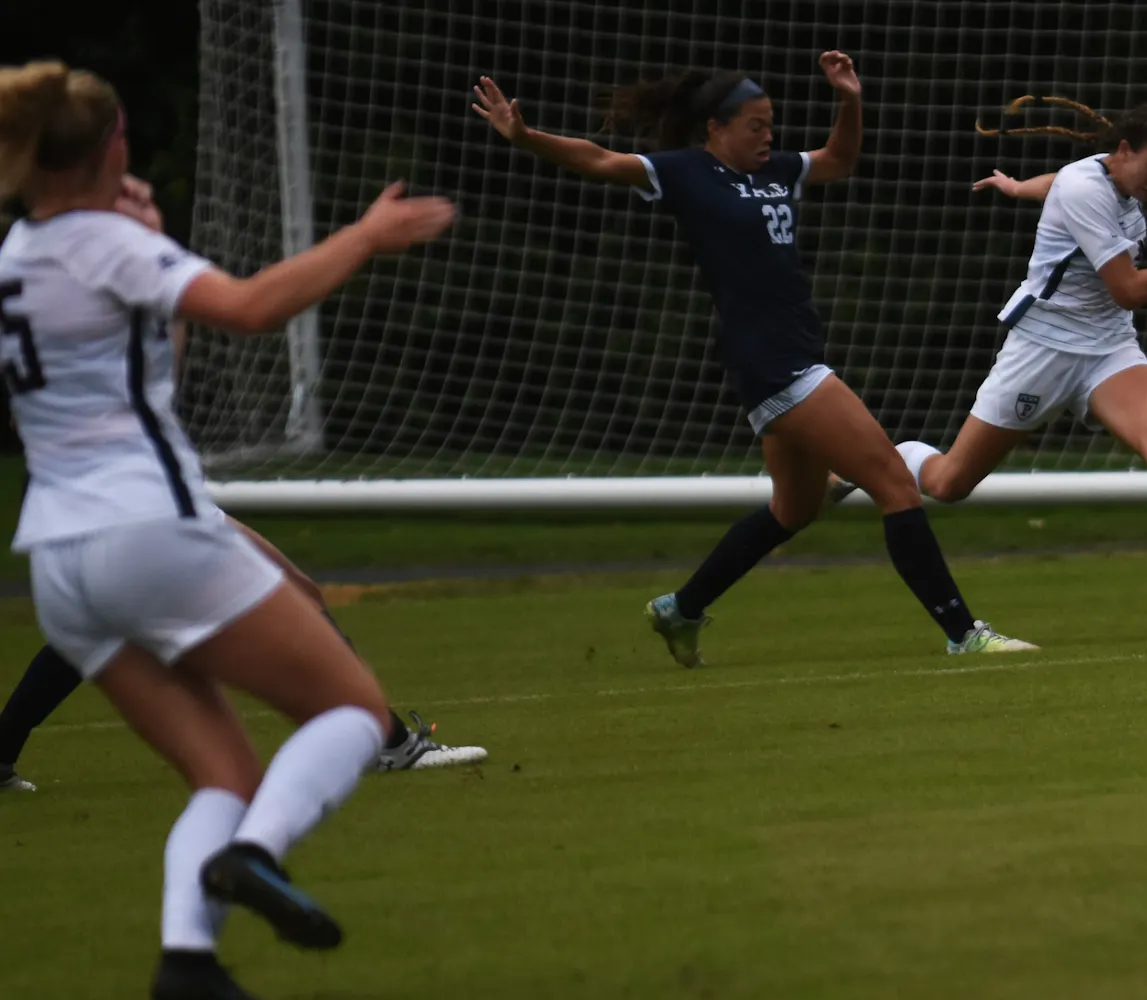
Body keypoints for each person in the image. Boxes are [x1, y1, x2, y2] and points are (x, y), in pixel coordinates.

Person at [0, 59, 454, 998]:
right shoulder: (103, 243)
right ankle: (254, 855)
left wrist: (147, 243)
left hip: (55, 559)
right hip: (145, 529)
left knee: (222, 775)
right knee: (352, 712)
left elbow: (135, 359)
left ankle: (188, 964)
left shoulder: (16, 255)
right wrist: (364, 236)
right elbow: (251, 308)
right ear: (109, 148)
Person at [472, 53, 1035, 665]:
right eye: (755, 125)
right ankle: (963, 632)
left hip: (786, 355)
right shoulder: (686, 171)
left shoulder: (778, 171)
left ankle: (682, 608)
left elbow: (839, 159)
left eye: (771, 124)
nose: (768, 136)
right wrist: (525, 136)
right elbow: (600, 159)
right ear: (716, 127)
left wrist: (849, 100)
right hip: (775, 362)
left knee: (794, 507)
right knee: (896, 485)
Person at [0, 176, 486, 795]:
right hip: (134, 495)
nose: (142, 193)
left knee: (102, 628)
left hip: (74, 504)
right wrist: (364, 237)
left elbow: (140, 380)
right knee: (238, 740)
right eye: (124, 191)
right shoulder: (104, 259)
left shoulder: (33, 257)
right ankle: (387, 742)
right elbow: (251, 308)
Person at [858, 96, 1147, 614]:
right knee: (949, 483)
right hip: (1042, 349)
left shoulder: (1102, 176)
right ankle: (866, 463)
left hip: (1109, 348)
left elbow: (1059, 183)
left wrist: (1018, 187)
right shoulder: (1087, 187)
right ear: (1126, 149)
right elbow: (1128, 290)